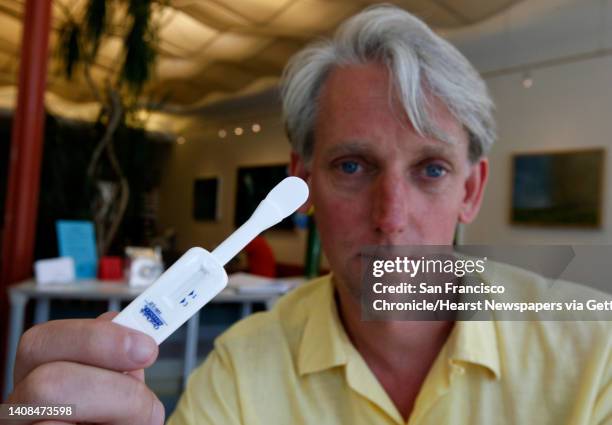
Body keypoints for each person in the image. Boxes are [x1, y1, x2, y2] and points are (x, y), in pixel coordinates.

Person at [6, 5, 610, 425]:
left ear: (471, 190)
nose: (391, 217)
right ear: (304, 185)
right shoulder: (244, 367)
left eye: (430, 169)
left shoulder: (593, 356)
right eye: (352, 166)